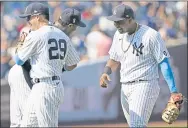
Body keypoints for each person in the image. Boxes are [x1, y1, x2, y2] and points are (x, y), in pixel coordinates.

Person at [99, 4, 181, 127]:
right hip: (125, 86)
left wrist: (174, 91)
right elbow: (114, 59)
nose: (116, 25)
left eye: (119, 21)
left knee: (137, 125)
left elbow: (163, 63)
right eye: (114, 21)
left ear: (130, 19)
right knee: (135, 125)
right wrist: (106, 72)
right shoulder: (118, 35)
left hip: (145, 84)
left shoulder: (151, 35)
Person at [11, 2, 81, 127]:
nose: (28, 21)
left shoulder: (36, 34)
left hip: (45, 86)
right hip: (45, 85)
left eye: (29, 17)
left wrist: (20, 44)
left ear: (38, 16)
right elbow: (73, 63)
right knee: (27, 125)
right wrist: (58, 67)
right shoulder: (63, 35)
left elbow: (19, 60)